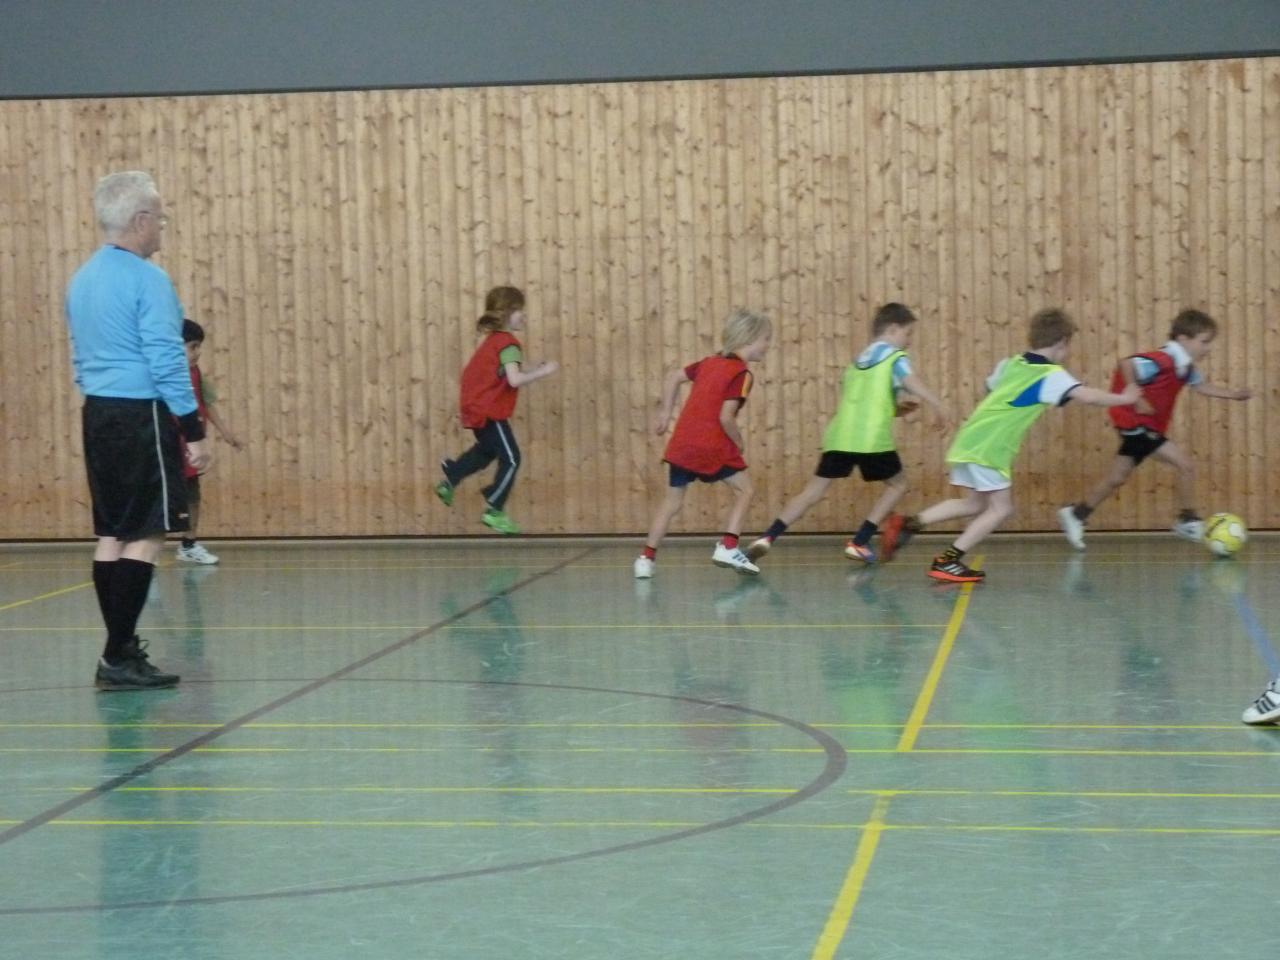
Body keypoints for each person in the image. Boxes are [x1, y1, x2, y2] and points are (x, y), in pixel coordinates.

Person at [65, 171, 210, 690]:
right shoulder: (148, 280)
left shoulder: (82, 278)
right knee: (147, 534)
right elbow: (167, 359)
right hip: (140, 414)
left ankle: (119, 651)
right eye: (161, 219)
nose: (163, 228)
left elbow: (80, 353)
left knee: (111, 534)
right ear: (141, 220)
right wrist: (192, 428)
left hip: (99, 413)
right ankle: (116, 655)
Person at [895, 308, 1140, 583]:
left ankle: (908, 523)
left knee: (975, 504)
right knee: (1001, 509)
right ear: (1062, 342)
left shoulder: (1010, 363)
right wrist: (1125, 398)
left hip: (970, 438)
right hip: (990, 447)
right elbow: (1089, 396)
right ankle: (948, 561)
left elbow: (989, 389)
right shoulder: (1050, 374)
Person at [745, 302, 949, 565]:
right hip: (871, 439)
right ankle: (860, 541)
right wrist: (937, 403)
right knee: (898, 485)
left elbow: (865, 404)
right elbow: (910, 381)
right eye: (908, 334)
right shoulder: (894, 357)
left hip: (840, 437)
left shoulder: (857, 362)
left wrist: (896, 409)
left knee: (811, 492)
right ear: (892, 328)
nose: (909, 341)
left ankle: (767, 537)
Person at [1056, 309, 1252, 549]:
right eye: (1204, 342)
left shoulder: (1186, 367)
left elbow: (1201, 386)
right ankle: (1187, 519)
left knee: (1117, 477)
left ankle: (1077, 514)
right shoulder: (1162, 360)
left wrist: (1233, 395)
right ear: (1183, 339)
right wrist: (1136, 397)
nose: (1208, 348)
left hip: (1144, 427)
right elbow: (1126, 363)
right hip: (1134, 422)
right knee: (1185, 465)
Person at [633, 308, 772, 579]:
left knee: (672, 502)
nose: (768, 345)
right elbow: (726, 417)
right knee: (745, 490)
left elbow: (674, 377)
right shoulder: (741, 374)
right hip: (710, 445)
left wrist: (665, 412)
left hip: (682, 445)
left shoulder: (709, 363)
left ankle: (645, 559)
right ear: (750, 338)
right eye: (766, 339)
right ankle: (728, 547)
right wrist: (739, 441)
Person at [435, 286, 558, 534]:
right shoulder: (509, 343)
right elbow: (514, 379)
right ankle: (494, 509)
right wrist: (543, 372)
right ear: (507, 313)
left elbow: (505, 371)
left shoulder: (494, 341)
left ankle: (451, 477)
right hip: (489, 411)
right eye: (520, 310)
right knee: (512, 459)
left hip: (477, 408)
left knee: (486, 452)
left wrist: (533, 366)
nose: (524, 315)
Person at [174, 318, 243, 565]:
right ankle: (146, 553)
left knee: (192, 493)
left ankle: (189, 544)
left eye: (198, 347)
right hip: (167, 445)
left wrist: (225, 432)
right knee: (158, 497)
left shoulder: (195, 373)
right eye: (192, 346)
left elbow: (206, 403)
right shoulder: (164, 374)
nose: (197, 352)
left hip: (190, 445)